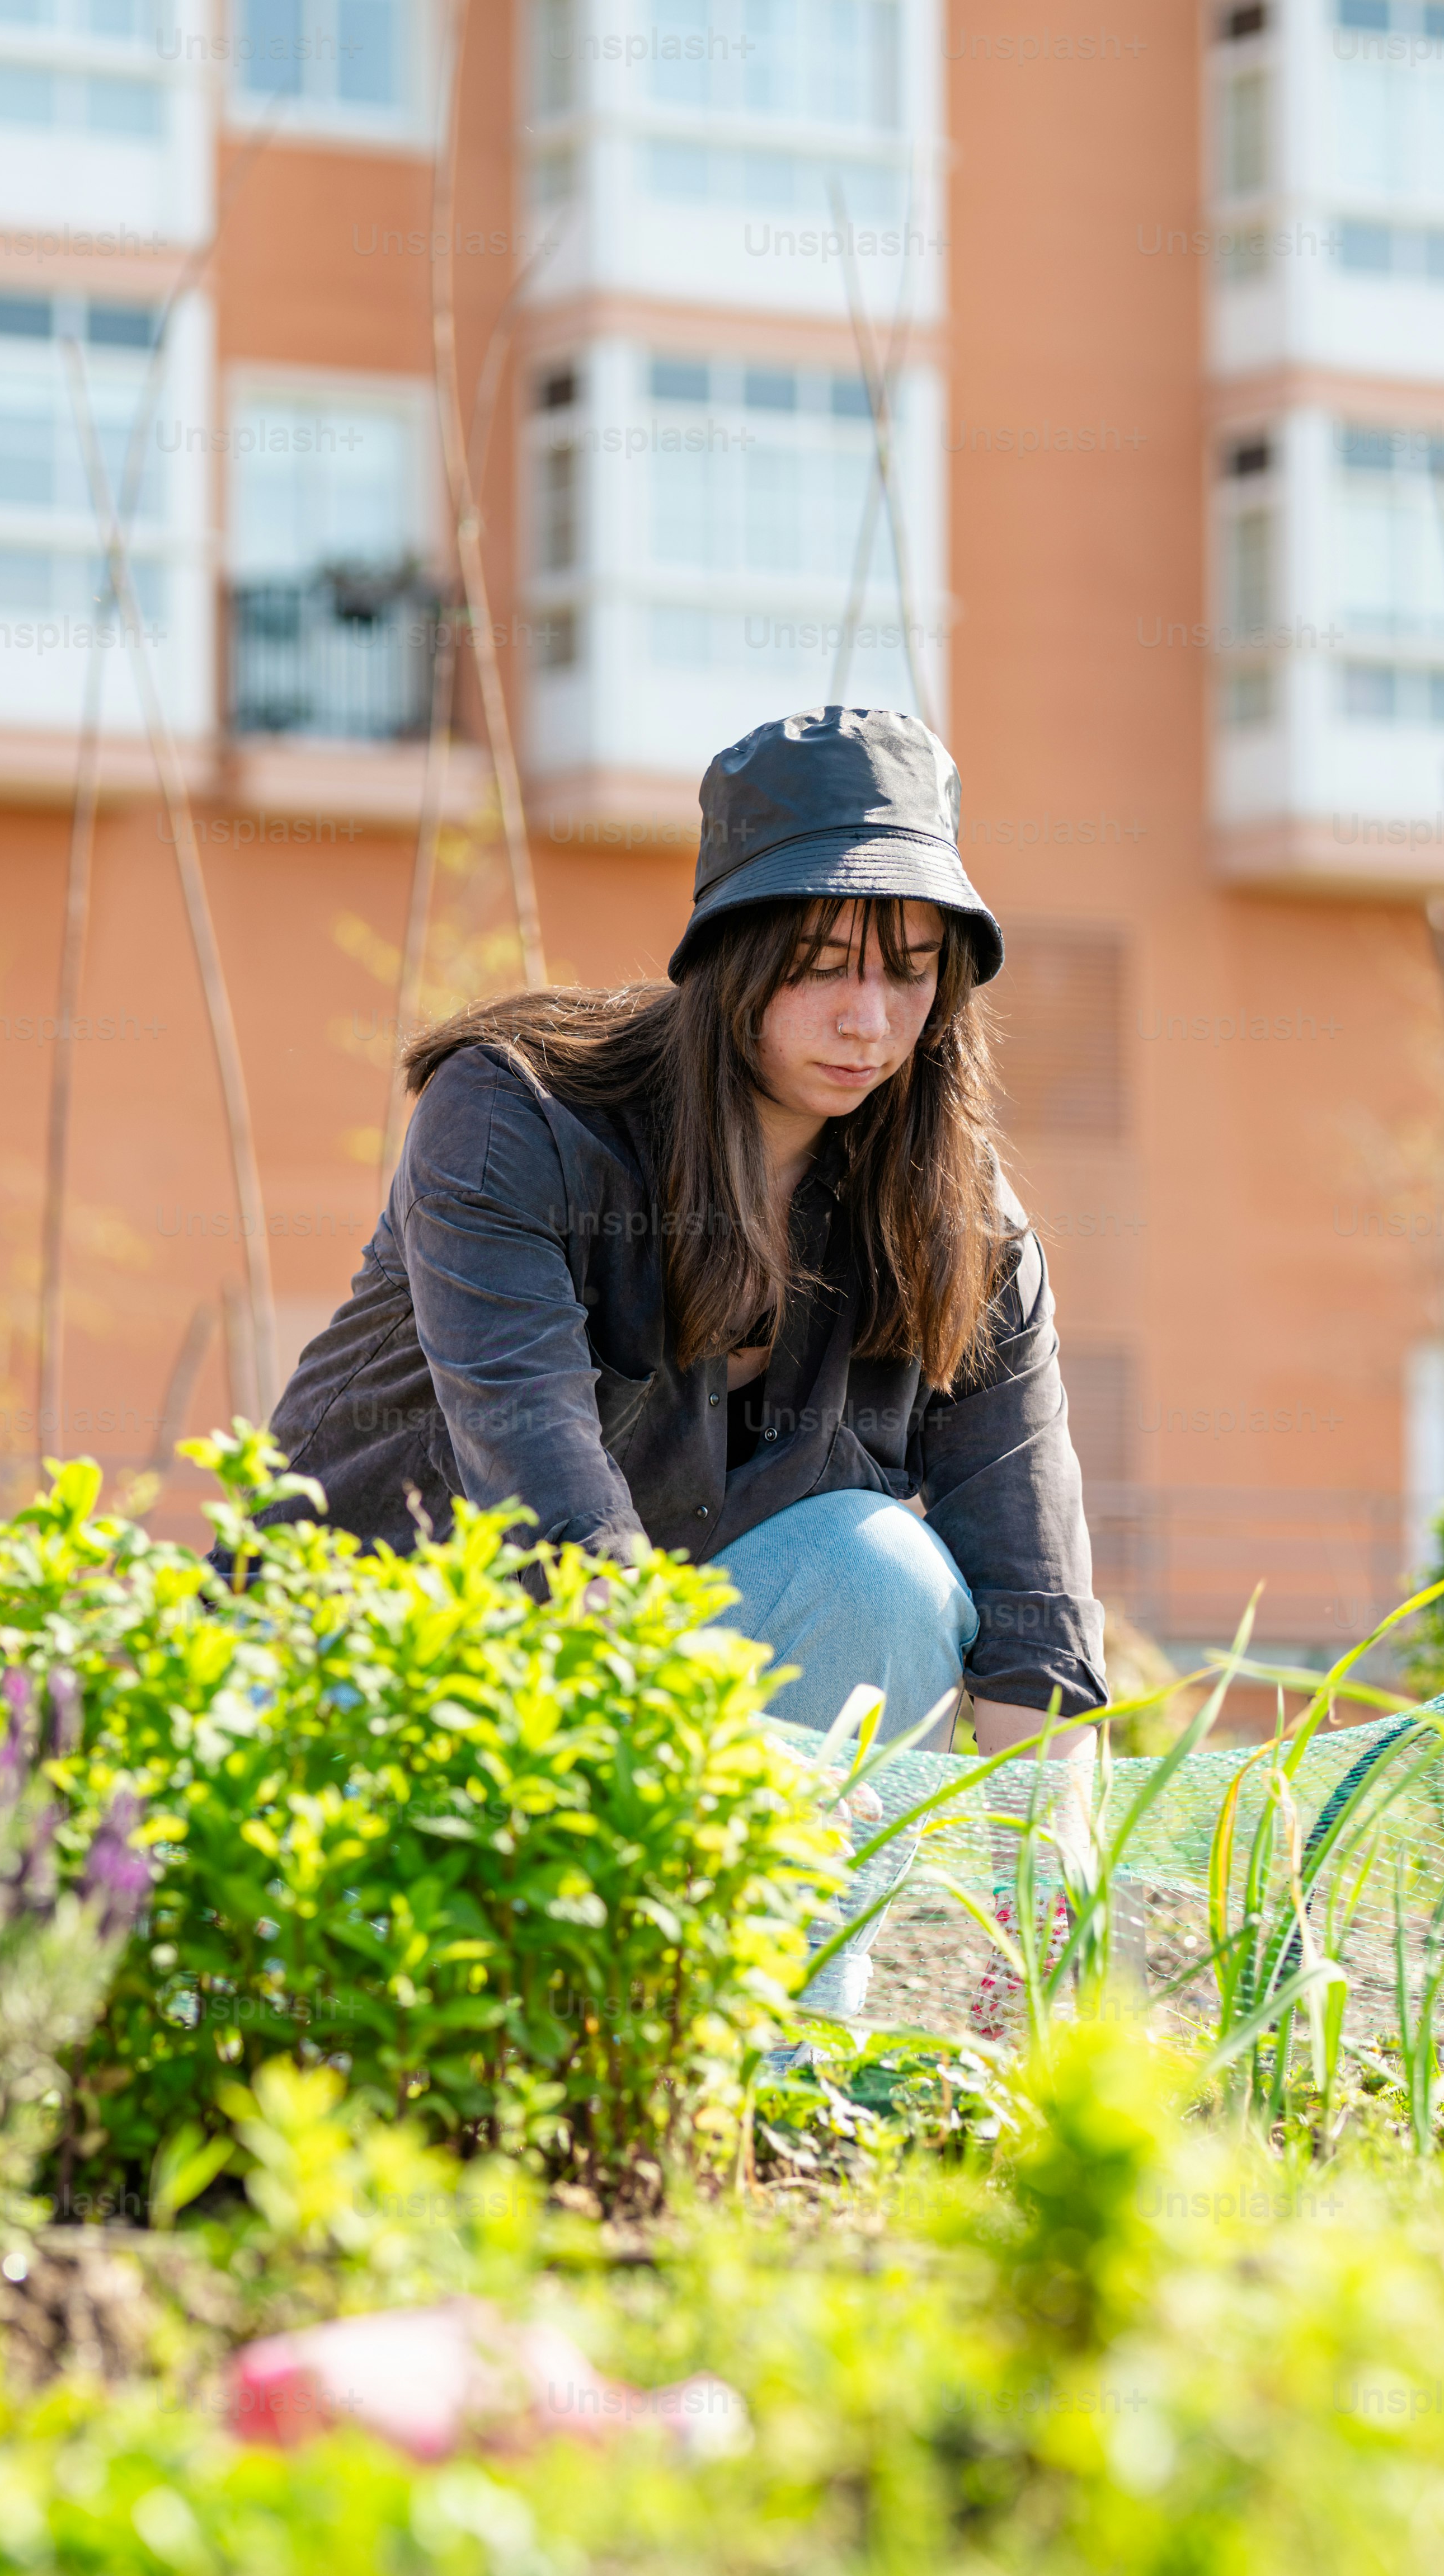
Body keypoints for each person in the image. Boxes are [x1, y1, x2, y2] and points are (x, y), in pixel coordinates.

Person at [267, 704, 1107, 1825]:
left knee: (880, 1575)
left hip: (670, 1702)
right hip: (386, 1677)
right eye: (818, 966)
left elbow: (1032, 1608)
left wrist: (1057, 1930)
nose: (868, 1020)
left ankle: (805, 2001)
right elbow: (555, 1530)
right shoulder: (519, 1119)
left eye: (910, 973)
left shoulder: (961, 1227)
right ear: (730, 955)